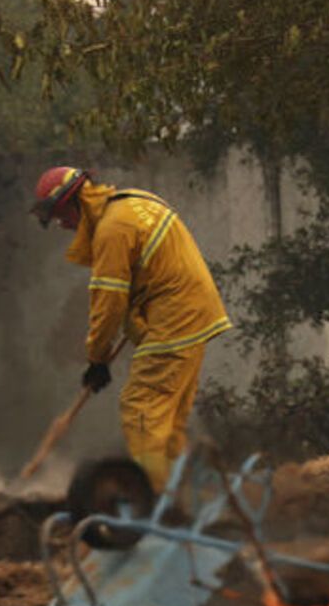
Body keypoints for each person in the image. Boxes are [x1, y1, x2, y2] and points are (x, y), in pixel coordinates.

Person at [32, 166, 231, 491]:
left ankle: (154, 497)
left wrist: (97, 359)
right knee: (167, 420)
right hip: (192, 312)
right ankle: (186, 496)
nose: (62, 225)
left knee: (142, 410)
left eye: (61, 215)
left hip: (175, 317)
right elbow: (139, 286)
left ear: (77, 201)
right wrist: (135, 334)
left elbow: (108, 302)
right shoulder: (132, 202)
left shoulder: (112, 230)